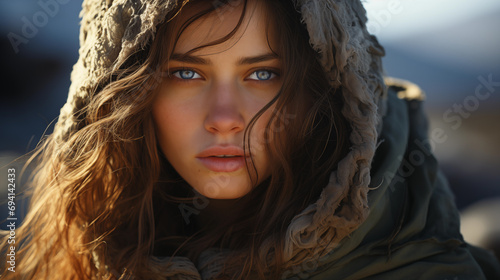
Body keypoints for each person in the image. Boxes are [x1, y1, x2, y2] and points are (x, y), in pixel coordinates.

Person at [1, 0, 499, 279]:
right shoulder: (69, 253)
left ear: (328, 93)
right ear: (123, 94)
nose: (224, 119)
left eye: (263, 74)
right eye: (186, 75)